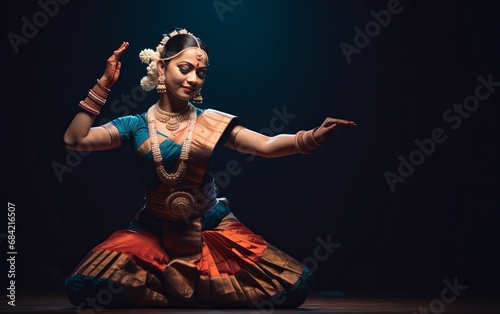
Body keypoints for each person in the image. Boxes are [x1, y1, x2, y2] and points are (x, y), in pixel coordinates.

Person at [63, 28, 356, 309]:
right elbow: (75, 139)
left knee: (295, 287)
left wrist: (314, 136)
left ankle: (182, 291)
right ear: (162, 69)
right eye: (185, 68)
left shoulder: (212, 122)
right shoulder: (134, 125)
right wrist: (104, 84)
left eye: (200, 73)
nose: (193, 79)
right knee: (84, 286)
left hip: (210, 225)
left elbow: (266, 145)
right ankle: (188, 292)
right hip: (153, 229)